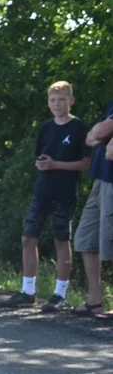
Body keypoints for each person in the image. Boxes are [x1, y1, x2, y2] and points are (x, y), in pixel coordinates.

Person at [0, 81, 90, 311]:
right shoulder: (46, 128)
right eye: (53, 100)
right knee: (28, 238)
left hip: (65, 191)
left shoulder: (79, 127)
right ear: (48, 103)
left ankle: (60, 294)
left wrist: (56, 164)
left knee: (61, 239)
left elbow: (86, 163)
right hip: (42, 190)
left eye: (61, 99)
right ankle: (27, 292)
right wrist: (42, 165)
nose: (57, 104)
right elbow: (40, 157)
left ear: (71, 100)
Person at [70, 97, 113, 317]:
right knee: (86, 237)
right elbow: (92, 137)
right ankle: (94, 301)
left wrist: (101, 135)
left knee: (110, 242)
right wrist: (101, 135)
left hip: (112, 182)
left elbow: (100, 133)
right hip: (100, 177)